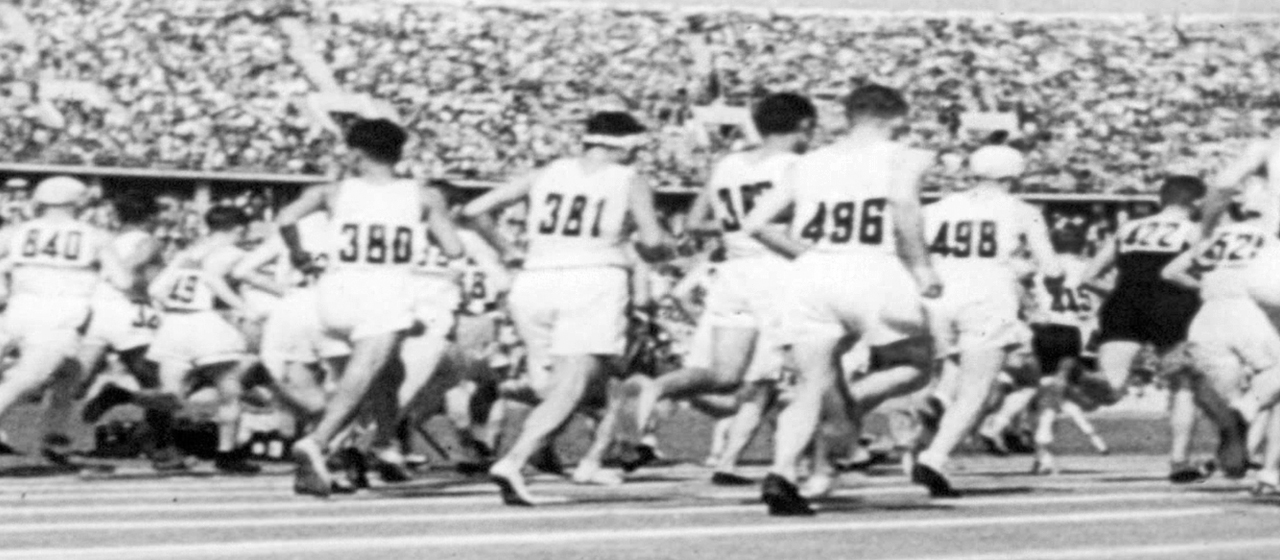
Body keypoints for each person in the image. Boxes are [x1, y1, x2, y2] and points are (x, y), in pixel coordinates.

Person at [740, 84, 941, 516]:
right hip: (873, 265)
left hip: (815, 271)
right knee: (917, 364)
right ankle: (849, 415)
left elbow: (755, 223)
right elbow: (903, 205)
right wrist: (922, 268)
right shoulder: (906, 156)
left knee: (811, 383)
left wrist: (807, 257)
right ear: (898, 118)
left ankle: (781, 470)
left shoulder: (808, 162)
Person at [461, 111, 671, 506]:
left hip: (535, 278)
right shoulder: (628, 178)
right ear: (627, 146)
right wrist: (661, 252)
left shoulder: (548, 171)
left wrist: (507, 248)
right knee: (571, 385)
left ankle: (548, 445)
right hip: (592, 278)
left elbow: (473, 211)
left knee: (561, 385)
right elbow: (653, 241)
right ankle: (515, 459)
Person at [629, 93, 816, 484]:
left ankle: (661, 390)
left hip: (733, 272)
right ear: (803, 126)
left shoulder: (728, 164)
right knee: (786, 375)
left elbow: (695, 223)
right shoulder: (799, 166)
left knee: (726, 374)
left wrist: (736, 225)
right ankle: (799, 464)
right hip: (778, 270)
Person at [275, 118, 465, 497]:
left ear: (356, 153)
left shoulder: (332, 191)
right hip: (385, 288)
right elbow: (454, 248)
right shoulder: (423, 195)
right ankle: (320, 441)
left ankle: (382, 441)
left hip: (336, 289)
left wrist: (298, 253)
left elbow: (285, 218)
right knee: (365, 371)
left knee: (388, 373)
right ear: (399, 153)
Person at [914, 145, 1063, 497]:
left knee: (949, 369)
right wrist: (1046, 284)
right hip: (988, 296)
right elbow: (1052, 268)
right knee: (977, 388)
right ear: (1014, 176)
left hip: (937, 294)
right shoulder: (1022, 211)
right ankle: (934, 457)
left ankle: (938, 402)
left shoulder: (937, 207)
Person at [1081, 176, 1249, 477]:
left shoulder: (1127, 228)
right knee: (1183, 385)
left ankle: (1086, 379)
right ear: (1197, 202)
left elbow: (1089, 277)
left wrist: (1124, 292)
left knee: (1113, 384)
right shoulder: (1195, 231)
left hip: (1123, 302)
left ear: (1162, 199)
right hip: (1173, 307)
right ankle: (1178, 460)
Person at [0, 176, 129, 463]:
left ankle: (54, 438)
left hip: (19, 308)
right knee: (27, 379)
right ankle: (51, 438)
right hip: (61, 314)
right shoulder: (95, 235)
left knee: (69, 373)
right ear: (78, 202)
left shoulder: (15, 231)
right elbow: (123, 281)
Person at [72, 192, 184, 471]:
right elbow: (131, 268)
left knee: (74, 382)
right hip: (129, 312)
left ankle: (52, 438)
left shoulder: (106, 240)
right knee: (155, 382)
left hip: (98, 309)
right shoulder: (149, 241)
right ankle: (162, 448)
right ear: (151, 216)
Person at [146, 206, 262, 474]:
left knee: (169, 396)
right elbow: (214, 280)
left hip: (174, 323)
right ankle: (227, 454)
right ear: (239, 229)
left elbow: (155, 290)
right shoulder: (232, 252)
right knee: (230, 390)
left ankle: (162, 446)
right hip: (207, 323)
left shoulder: (187, 253)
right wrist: (244, 308)